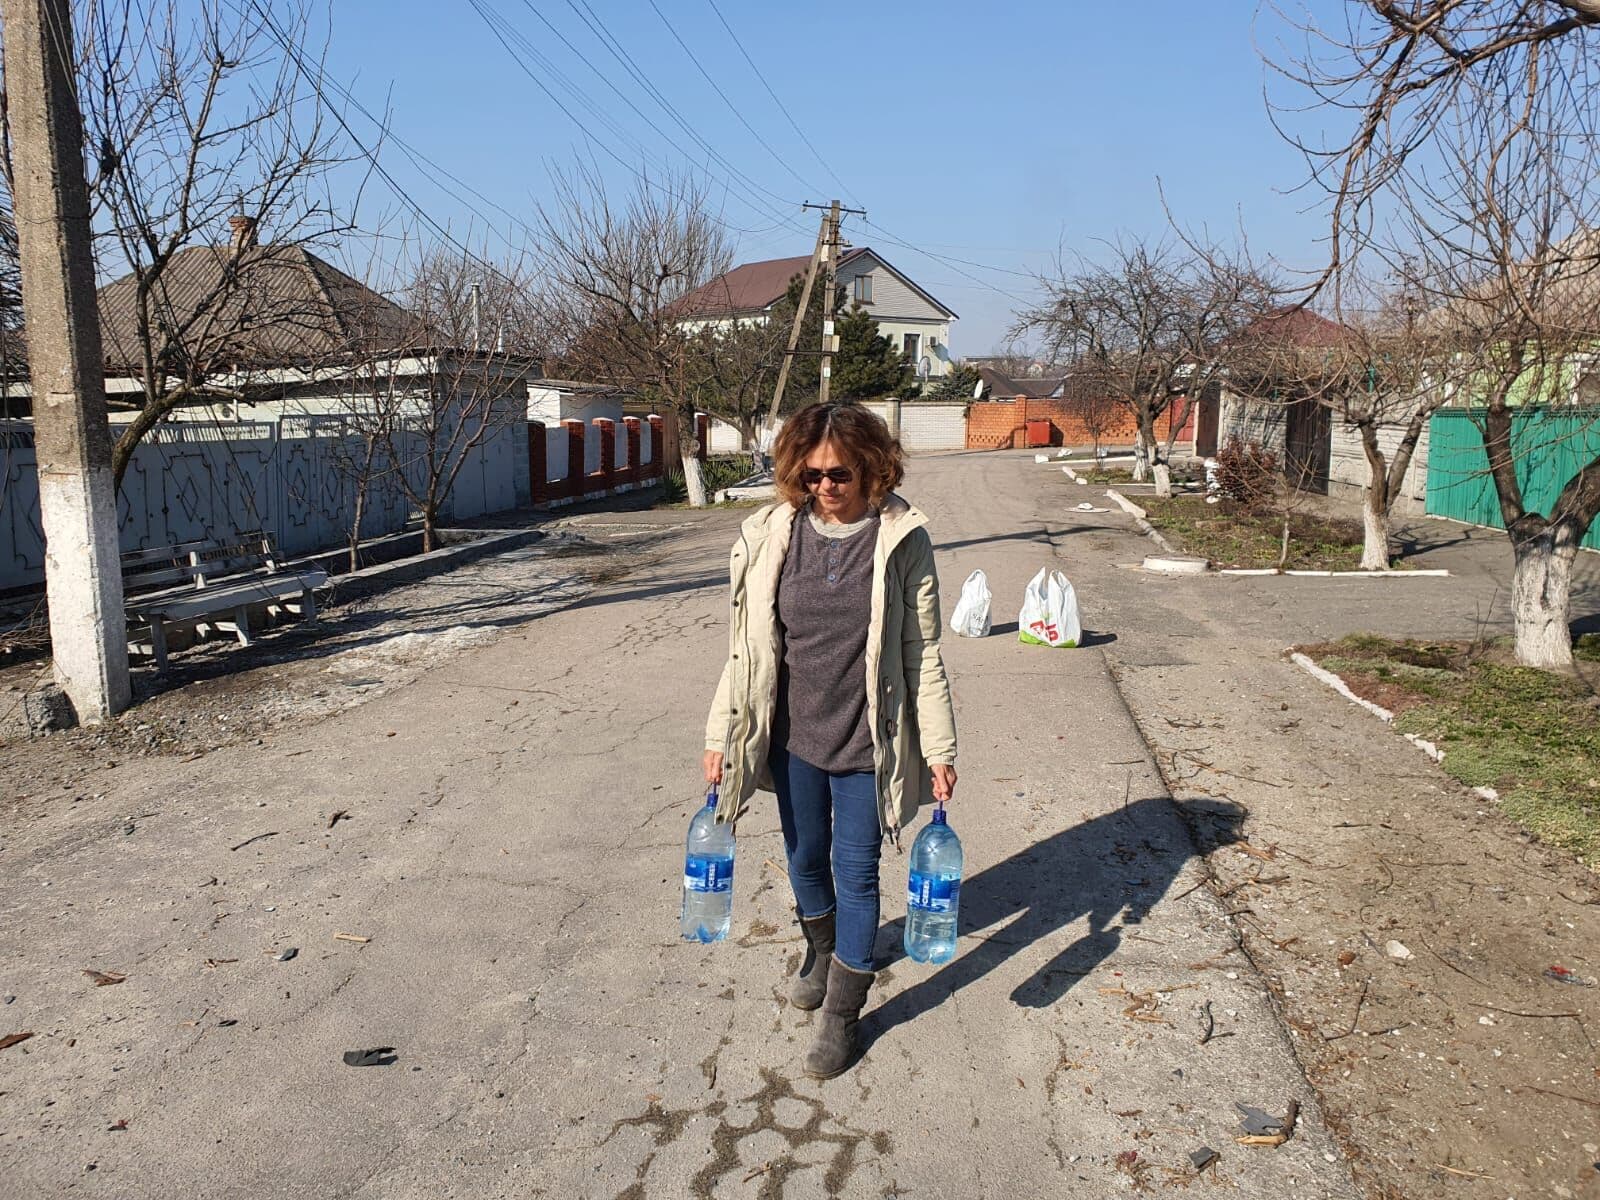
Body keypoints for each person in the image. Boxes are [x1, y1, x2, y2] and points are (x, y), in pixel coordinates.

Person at [702, 401, 958, 1080]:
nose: (823, 487)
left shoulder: (902, 538)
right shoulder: (772, 534)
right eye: (809, 474)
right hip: (790, 740)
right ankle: (819, 948)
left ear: (871, 467)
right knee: (803, 859)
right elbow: (745, 652)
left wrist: (940, 749)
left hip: (865, 744)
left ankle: (842, 1015)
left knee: (857, 872)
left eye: (837, 473)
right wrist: (720, 735)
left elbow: (923, 649)